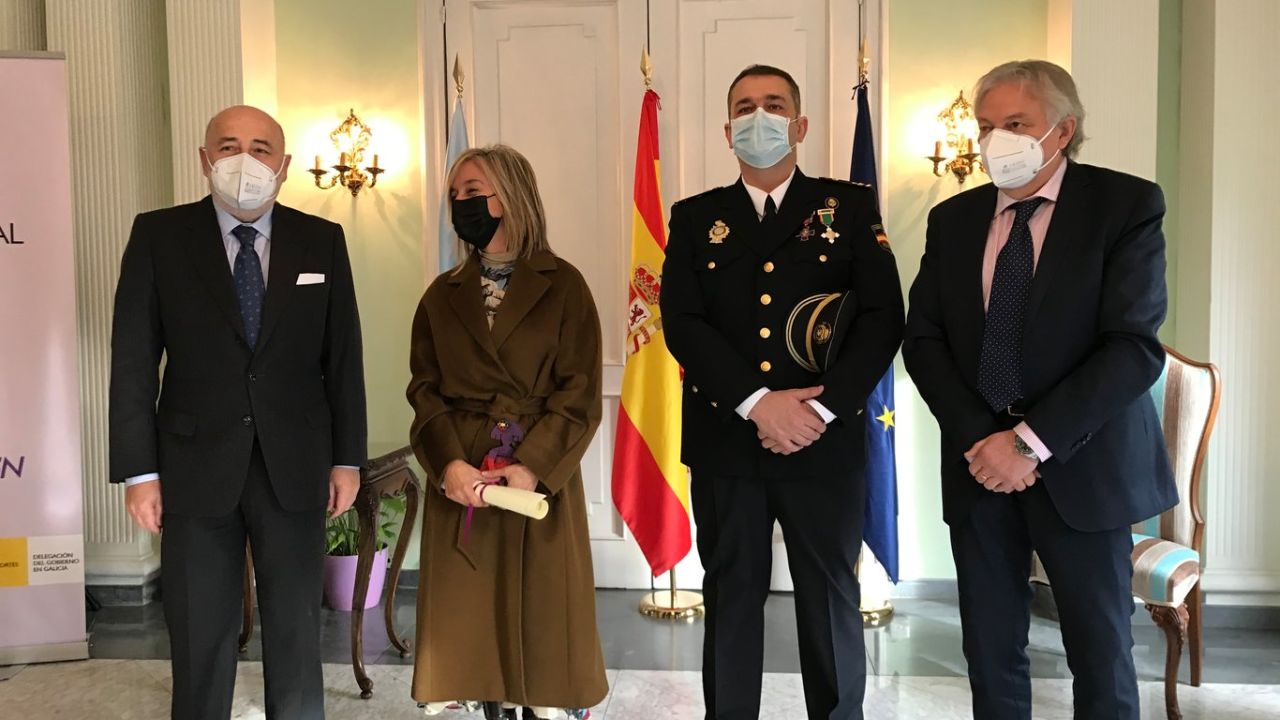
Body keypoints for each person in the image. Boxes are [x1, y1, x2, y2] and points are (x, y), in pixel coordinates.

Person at [902, 60, 1176, 720]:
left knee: (1100, 654)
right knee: (990, 652)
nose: (997, 139)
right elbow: (925, 341)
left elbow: (1132, 347)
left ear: (1064, 130)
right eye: (986, 126)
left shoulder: (1125, 206)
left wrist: (1027, 443)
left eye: (1017, 123)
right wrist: (984, 441)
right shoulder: (953, 219)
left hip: (1084, 464)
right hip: (979, 469)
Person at [660, 65, 904, 720]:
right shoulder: (695, 217)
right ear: (727, 131)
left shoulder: (847, 208)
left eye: (773, 105)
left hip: (824, 441)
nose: (758, 118)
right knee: (732, 597)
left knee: (829, 601)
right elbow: (682, 322)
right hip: (727, 441)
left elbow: (883, 317)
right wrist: (758, 403)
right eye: (744, 108)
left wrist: (820, 408)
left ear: (799, 126)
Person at [109, 105, 367, 719]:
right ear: (205, 159)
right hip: (192, 464)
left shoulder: (322, 240)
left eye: (260, 147)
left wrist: (347, 460)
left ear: (284, 165)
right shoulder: (158, 236)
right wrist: (139, 473)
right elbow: (134, 361)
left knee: (296, 630)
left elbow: (343, 358)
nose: (244, 160)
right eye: (228, 147)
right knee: (199, 630)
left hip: (295, 463)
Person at [407, 145, 607, 720]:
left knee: (542, 620)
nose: (461, 204)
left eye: (473, 191)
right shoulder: (441, 294)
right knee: (469, 626)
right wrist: (448, 465)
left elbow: (578, 394)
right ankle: (476, 692)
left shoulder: (565, 286)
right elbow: (425, 391)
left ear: (511, 196)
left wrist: (534, 467)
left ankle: (545, 700)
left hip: (535, 472)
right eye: (455, 195)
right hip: (463, 473)